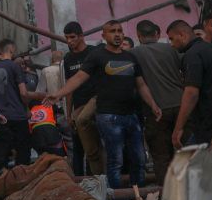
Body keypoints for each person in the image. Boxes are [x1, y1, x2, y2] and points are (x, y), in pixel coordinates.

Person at [46, 20, 162, 189]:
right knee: (115, 160)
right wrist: (58, 94)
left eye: (120, 31)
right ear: (104, 36)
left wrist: (153, 105)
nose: (117, 34)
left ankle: (139, 196)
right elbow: (78, 78)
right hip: (109, 116)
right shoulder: (97, 56)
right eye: (112, 31)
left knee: (139, 159)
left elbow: (141, 84)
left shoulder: (130, 57)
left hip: (131, 115)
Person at [130, 20, 185, 184]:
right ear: (157, 34)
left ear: (139, 36)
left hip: (156, 111)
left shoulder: (133, 54)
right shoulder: (172, 49)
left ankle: (167, 195)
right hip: (181, 105)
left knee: (161, 157)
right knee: (183, 153)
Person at [166, 20, 212, 147]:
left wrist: (178, 128)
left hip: (208, 123)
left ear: (182, 35)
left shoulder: (192, 55)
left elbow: (191, 93)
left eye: (171, 39)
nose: (171, 44)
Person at [62, 22, 103, 177]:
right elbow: (69, 88)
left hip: (95, 105)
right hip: (78, 108)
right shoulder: (68, 59)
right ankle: (82, 179)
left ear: (81, 36)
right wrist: (68, 114)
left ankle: (98, 177)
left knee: (96, 146)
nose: (69, 41)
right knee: (80, 147)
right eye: (67, 38)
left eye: (72, 37)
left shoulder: (94, 53)